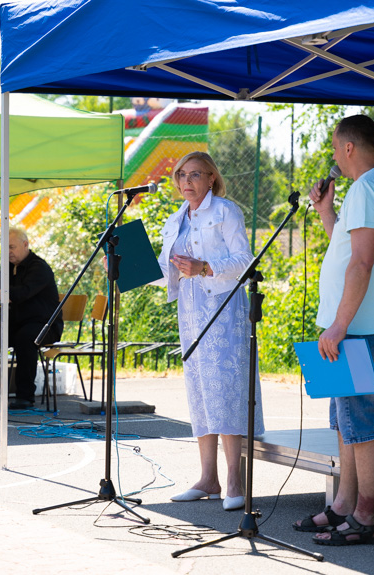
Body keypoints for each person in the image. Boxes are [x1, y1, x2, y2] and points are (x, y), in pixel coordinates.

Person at [292, 115, 374, 545]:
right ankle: (343, 505)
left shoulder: (364, 188)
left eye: (335, 148)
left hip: (357, 325)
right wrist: (326, 211)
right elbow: (347, 247)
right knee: (344, 419)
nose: (334, 156)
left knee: (358, 420)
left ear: (348, 149)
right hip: (360, 323)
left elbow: (362, 263)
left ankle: (366, 516)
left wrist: (339, 325)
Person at [153, 151, 264, 512]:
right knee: (200, 391)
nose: (186, 181)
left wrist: (204, 267)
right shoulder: (175, 219)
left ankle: (235, 479)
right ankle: (207, 478)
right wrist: (125, 266)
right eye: (181, 174)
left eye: (195, 174)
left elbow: (245, 260)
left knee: (225, 391)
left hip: (223, 312)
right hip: (190, 314)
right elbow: (163, 268)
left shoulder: (225, 212)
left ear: (212, 178)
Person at [0, 227, 64, 410]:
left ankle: (25, 396)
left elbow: (22, 294)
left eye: (12, 247)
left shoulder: (39, 268)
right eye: (5, 248)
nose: (8, 252)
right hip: (15, 323)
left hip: (44, 326)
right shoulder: (7, 269)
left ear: (25, 245)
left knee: (26, 338)